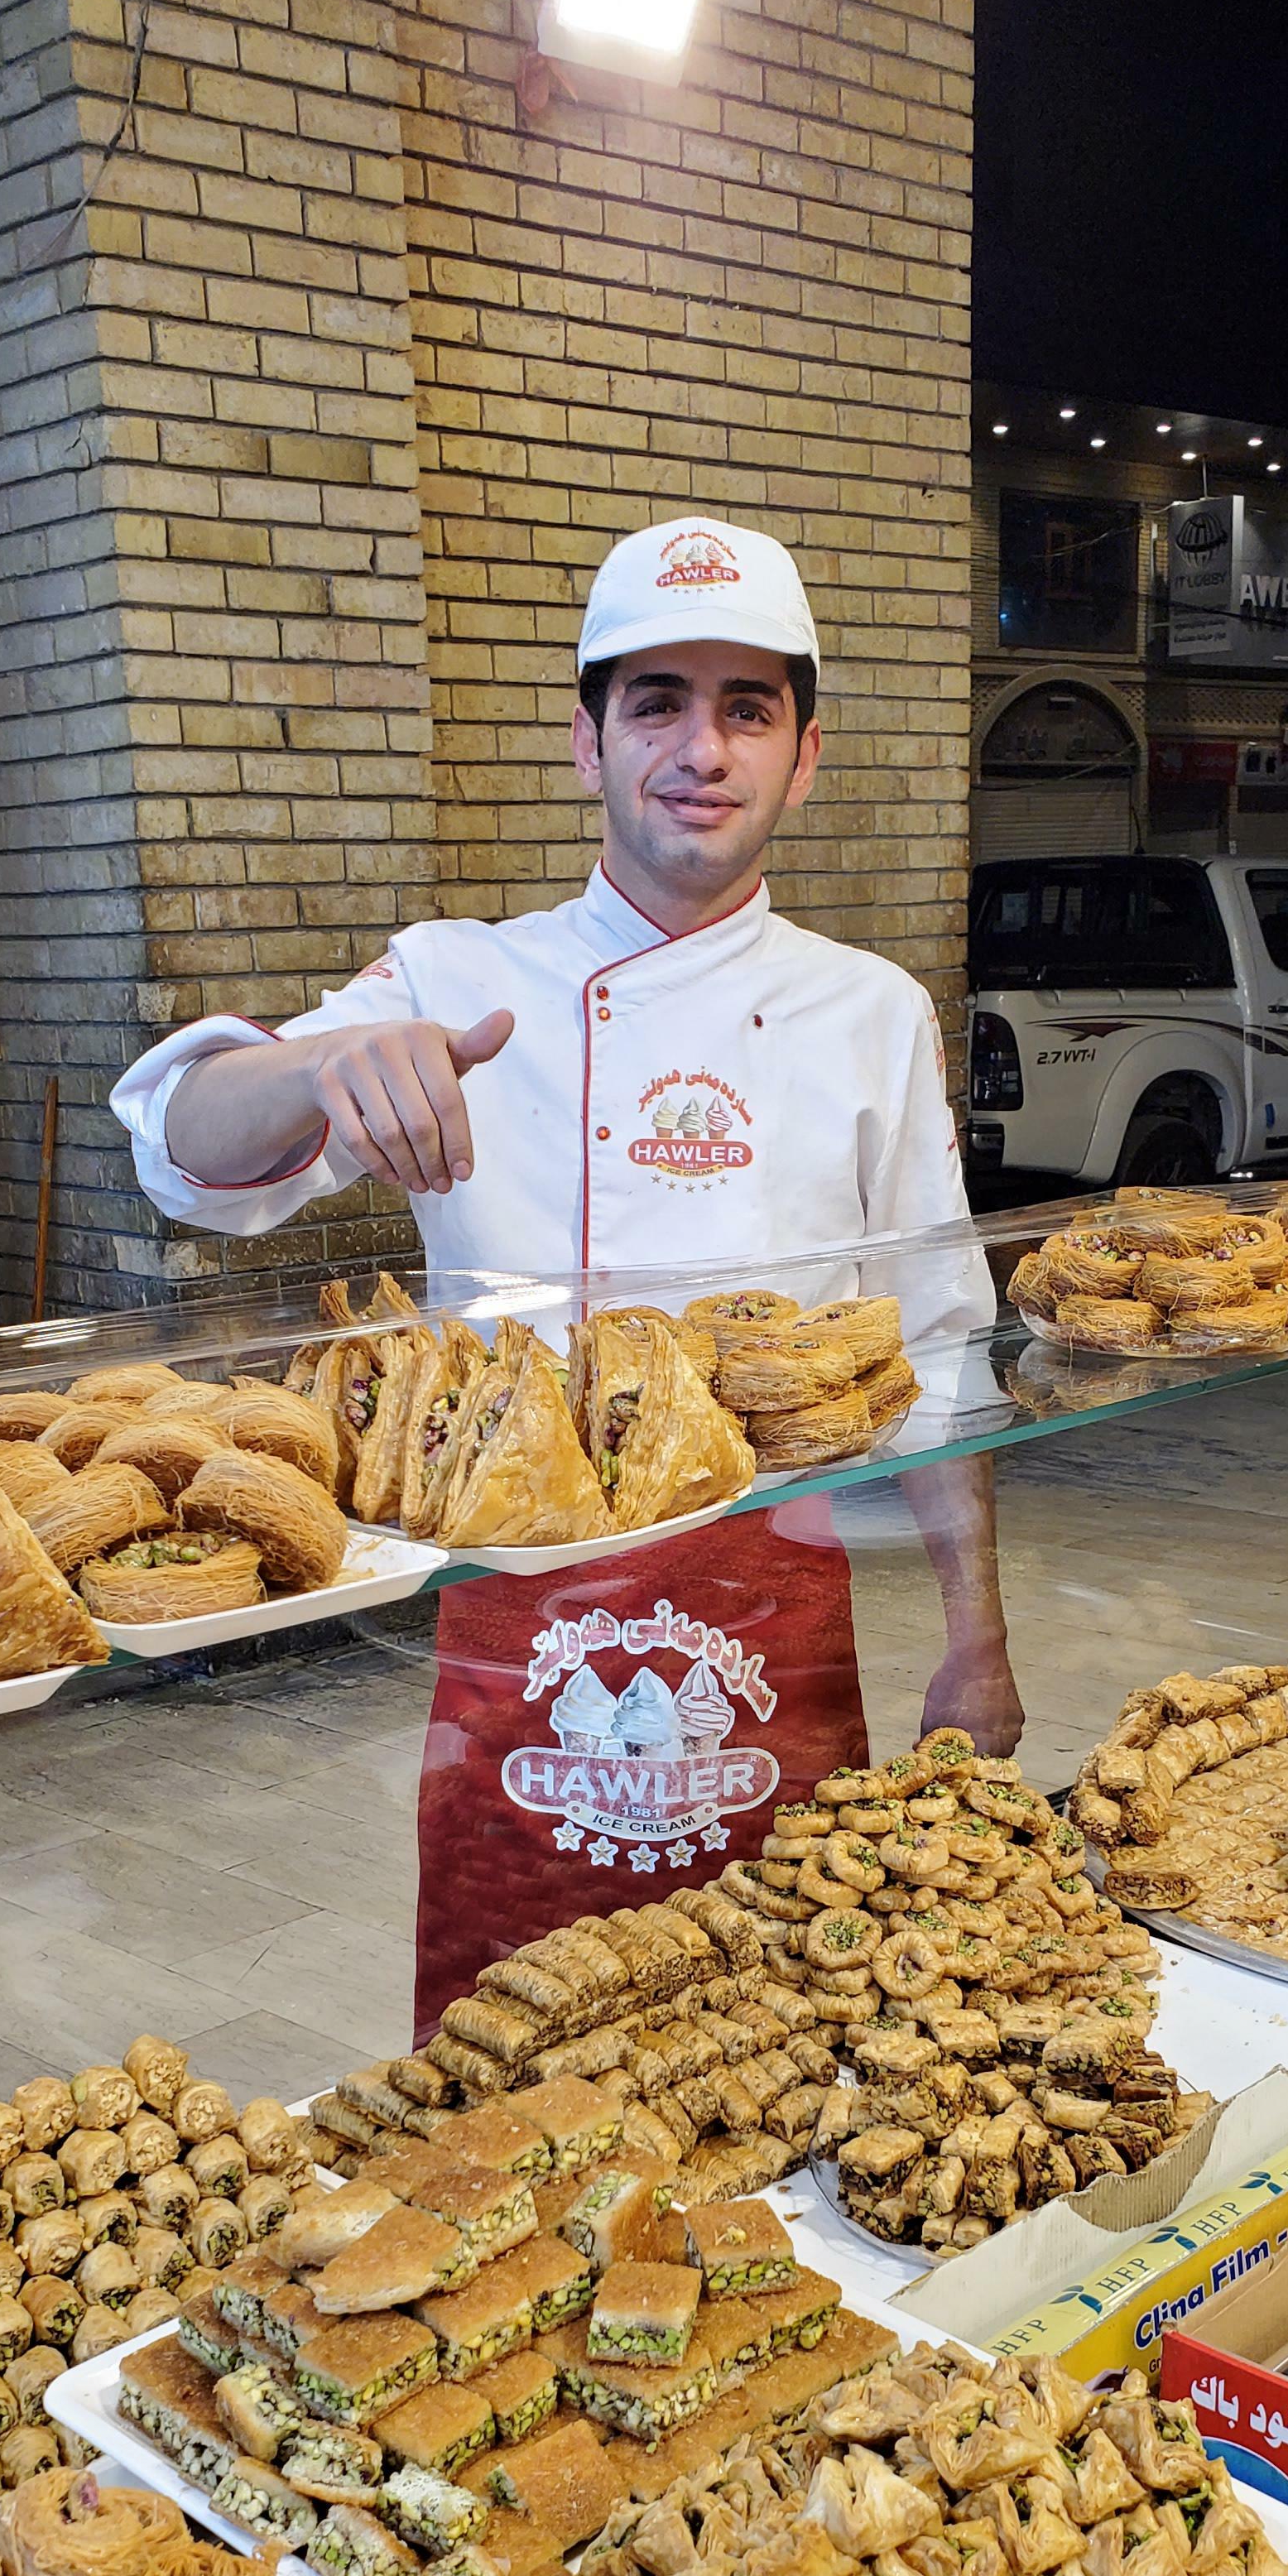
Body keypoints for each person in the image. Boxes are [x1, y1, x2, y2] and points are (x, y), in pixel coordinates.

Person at [112, 513, 1020, 2032]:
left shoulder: (870, 1013)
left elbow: (937, 1348)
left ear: (804, 754)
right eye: (656, 699)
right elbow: (186, 1151)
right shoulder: (457, 978)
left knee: (785, 2030)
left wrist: (979, 1644)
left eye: (748, 708)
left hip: (781, 1600)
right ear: (585, 739)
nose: (701, 747)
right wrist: (329, 1059)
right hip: (517, 1614)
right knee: (504, 2049)